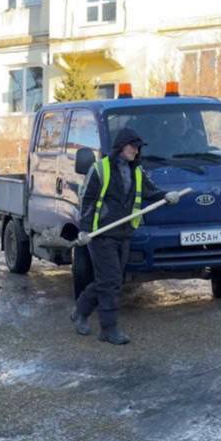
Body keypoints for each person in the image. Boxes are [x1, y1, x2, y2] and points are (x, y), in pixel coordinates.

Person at [72, 128, 181, 345]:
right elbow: (88, 201)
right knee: (111, 280)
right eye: (133, 146)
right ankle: (108, 329)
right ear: (122, 146)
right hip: (101, 233)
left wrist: (166, 196)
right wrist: (84, 230)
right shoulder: (101, 169)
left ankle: (81, 311)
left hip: (123, 233)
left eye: (138, 147)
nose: (136, 151)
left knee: (112, 280)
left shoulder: (136, 171)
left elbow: (150, 191)